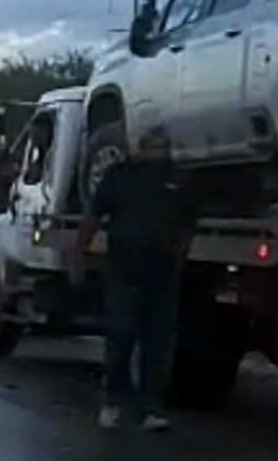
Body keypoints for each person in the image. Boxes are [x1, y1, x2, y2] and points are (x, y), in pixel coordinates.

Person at [74, 126, 202, 432]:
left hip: (162, 271)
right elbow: (94, 215)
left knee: (157, 343)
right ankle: (113, 401)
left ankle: (150, 408)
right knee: (120, 335)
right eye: (154, 147)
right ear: (141, 148)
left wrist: (179, 259)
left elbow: (188, 223)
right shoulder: (120, 176)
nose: (159, 153)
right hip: (124, 268)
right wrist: (80, 254)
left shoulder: (178, 178)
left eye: (164, 147)